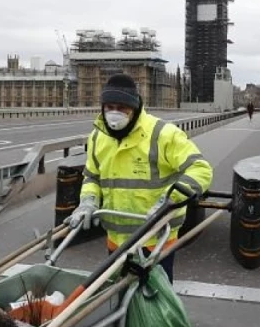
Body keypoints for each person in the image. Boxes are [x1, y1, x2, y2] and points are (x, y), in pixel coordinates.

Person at [69, 73, 213, 283]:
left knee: (153, 304)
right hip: (115, 240)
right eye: (109, 107)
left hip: (155, 240)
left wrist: (171, 199)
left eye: (122, 107)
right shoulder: (98, 137)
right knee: (118, 300)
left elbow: (200, 169)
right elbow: (92, 176)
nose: (114, 113)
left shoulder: (163, 134)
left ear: (135, 108)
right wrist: (87, 201)